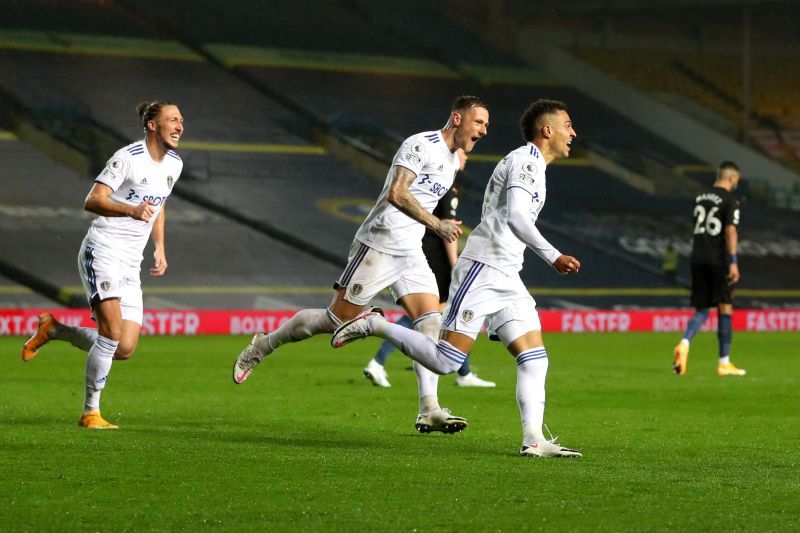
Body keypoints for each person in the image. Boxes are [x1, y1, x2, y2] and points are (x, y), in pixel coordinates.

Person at [332, 99, 583, 458]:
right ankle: (375, 324)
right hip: (483, 269)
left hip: (508, 275)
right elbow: (515, 216)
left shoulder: (535, 166)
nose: (572, 133)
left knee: (535, 357)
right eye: (567, 125)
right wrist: (553, 255)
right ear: (548, 130)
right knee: (447, 361)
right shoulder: (525, 162)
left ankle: (533, 441)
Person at [232, 96, 490, 433]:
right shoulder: (420, 145)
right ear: (457, 118)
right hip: (379, 244)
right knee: (335, 319)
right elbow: (397, 194)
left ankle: (429, 408)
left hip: (410, 251)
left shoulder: (454, 160)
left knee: (430, 321)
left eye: (486, 124)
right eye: (479, 122)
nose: (484, 130)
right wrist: (435, 224)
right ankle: (263, 344)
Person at [21, 101, 185, 429]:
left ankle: (55, 330)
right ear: (152, 125)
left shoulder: (174, 164)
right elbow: (92, 200)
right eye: (172, 119)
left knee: (124, 348)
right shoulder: (127, 158)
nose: (180, 125)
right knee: (110, 333)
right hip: (103, 250)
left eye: (181, 120)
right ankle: (90, 413)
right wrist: (129, 210)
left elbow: (159, 204)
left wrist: (160, 248)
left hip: (131, 263)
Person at [363, 151, 495, 389]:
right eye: (462, 154)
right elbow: (448, 232)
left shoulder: (432, 180)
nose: (465, 158)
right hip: (435, 256)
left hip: (421, 249)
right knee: (430, 313)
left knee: (440, 314)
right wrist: (455, 265)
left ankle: (463, 373)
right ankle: (378, 362)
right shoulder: (447, 185)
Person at [673, 161, 745, 377]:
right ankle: (724, 362)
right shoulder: (731, 199)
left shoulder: (700, 197)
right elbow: (730, 231)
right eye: (736, 182)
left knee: (703, 309)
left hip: (697, 257)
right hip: (718, 259)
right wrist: (732, 261)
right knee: (725, 306)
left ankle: (685, 343)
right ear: (731, 178)